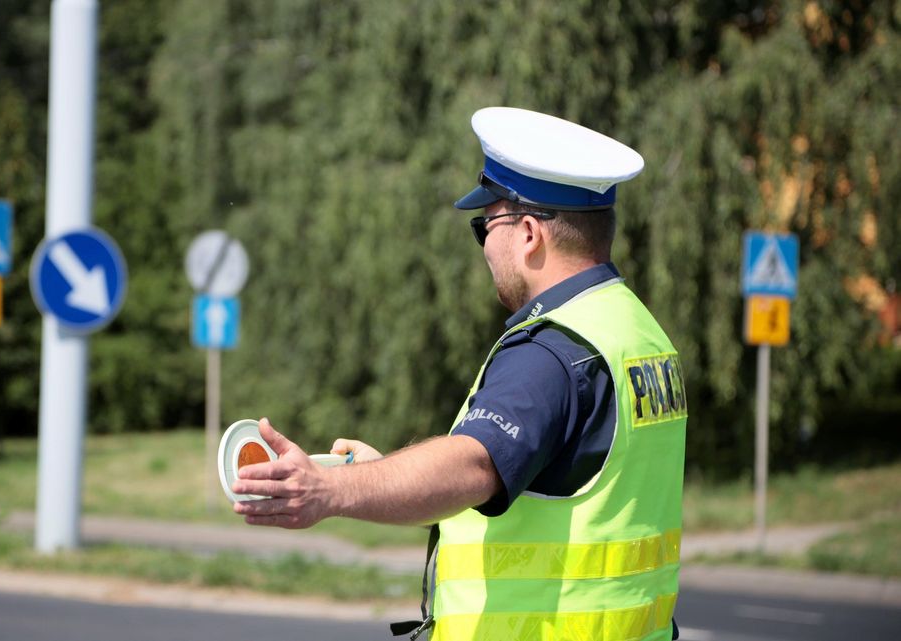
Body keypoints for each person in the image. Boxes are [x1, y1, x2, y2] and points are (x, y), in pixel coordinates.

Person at [231, 107, 687, 641]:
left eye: (485, 226)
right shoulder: (638, 332)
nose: (485, 248)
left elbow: (474, 465)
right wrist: (387, 475)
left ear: (530, 234)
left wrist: (328, 488)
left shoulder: (551, 350)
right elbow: (562, 496)